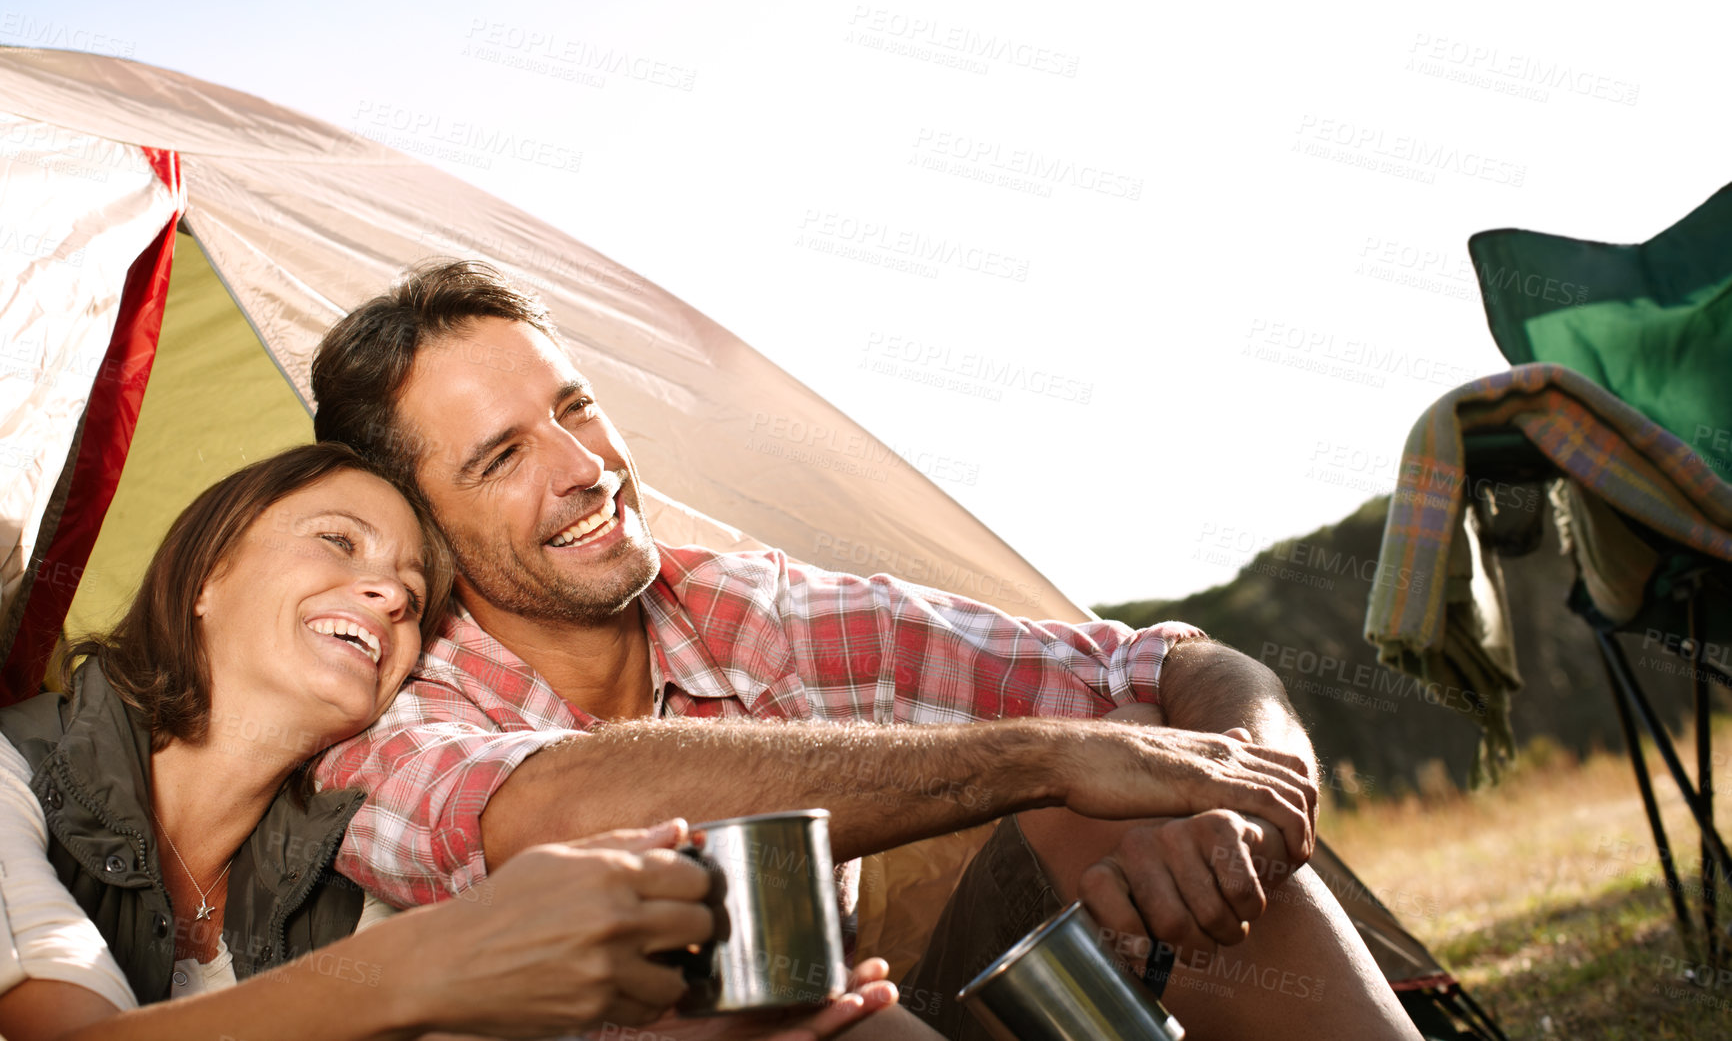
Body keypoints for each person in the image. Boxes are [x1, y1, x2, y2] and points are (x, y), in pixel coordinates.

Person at [310, 263, 1421, 1040]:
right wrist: (1035, 755)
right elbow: (559, 809)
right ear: (416, 526)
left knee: (1150, 785)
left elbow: (1169, 661)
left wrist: (1261, 769)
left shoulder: (743, 607)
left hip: (872, 1014)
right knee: (770, 986)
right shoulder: (378, 722)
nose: (582, 465)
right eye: (502, 455)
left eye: (576, 406)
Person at [0, 443, 897, 1041]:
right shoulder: (14, 772)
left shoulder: (340, 875)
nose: (389, 595)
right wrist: (438, 958)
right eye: (338, 543)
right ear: (206, 573)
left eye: (413, 592)